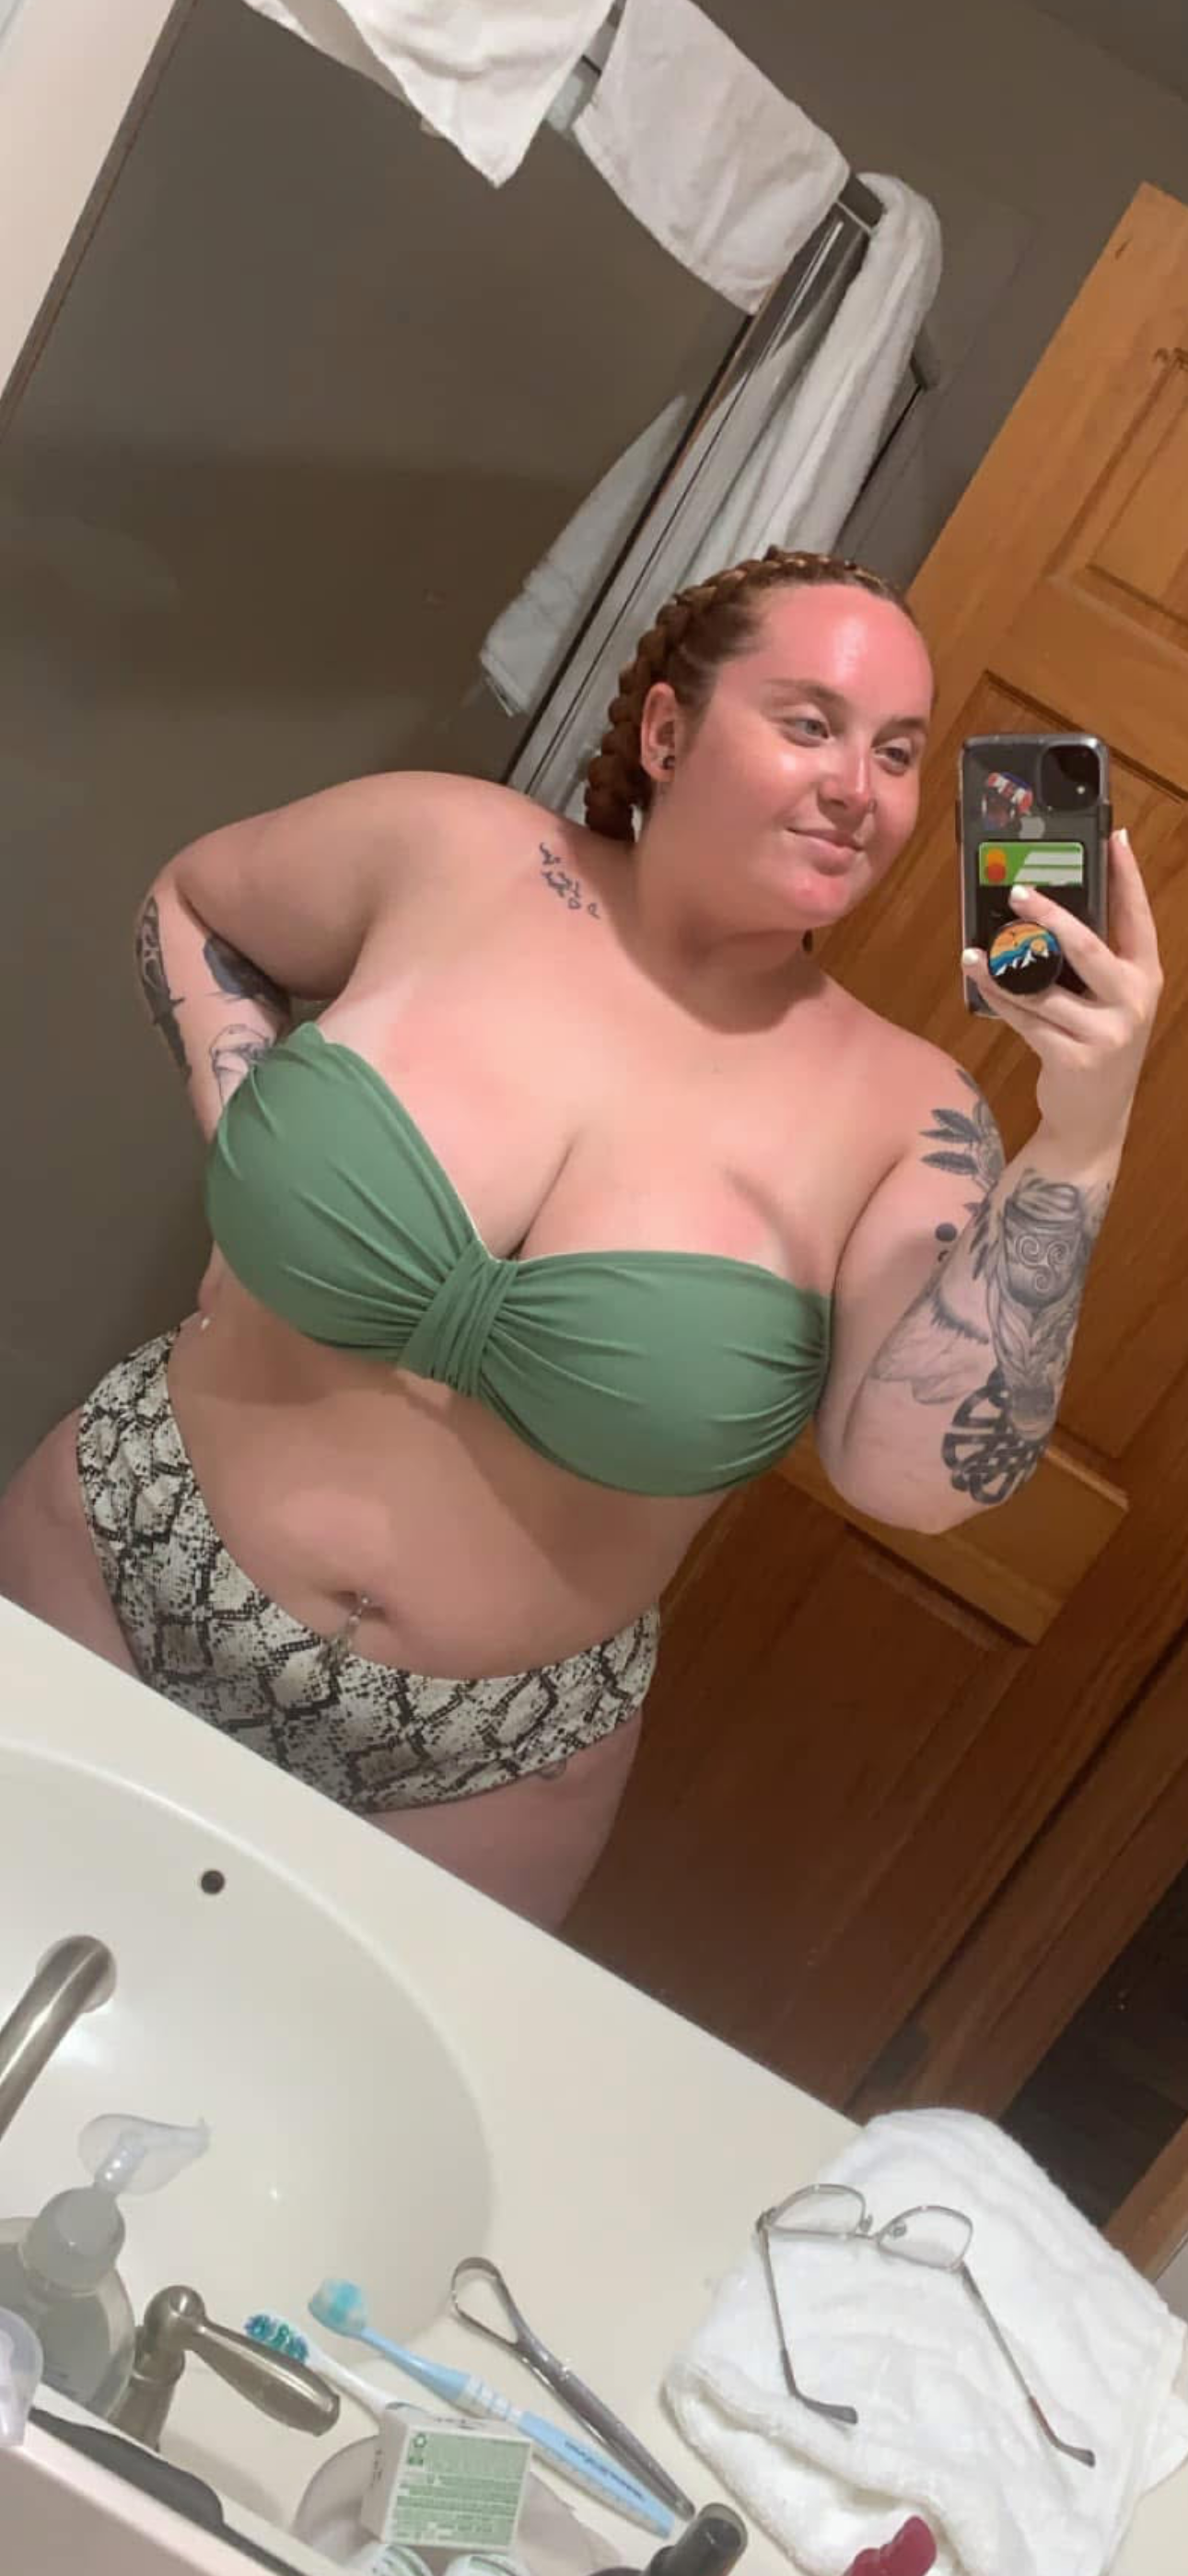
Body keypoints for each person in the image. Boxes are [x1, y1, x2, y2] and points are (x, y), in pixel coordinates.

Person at [0, 549, 1161, 1926]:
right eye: (810, 725)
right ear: (668, 731)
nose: (860, 787)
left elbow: (916, 1480)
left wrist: (1080, 1136)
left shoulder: (914, 1117)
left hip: (476, 1772)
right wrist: (256, 1126)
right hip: (117, 1561)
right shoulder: (448, 848)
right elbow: (198, 901)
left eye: (899, 753)